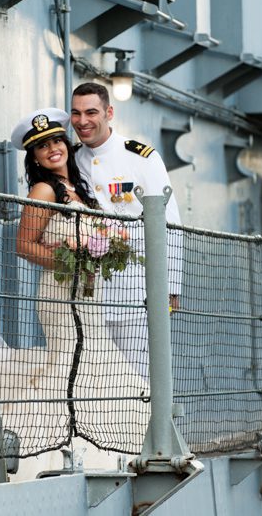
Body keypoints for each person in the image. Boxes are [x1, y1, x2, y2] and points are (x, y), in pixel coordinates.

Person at [0, 107, 149, 481]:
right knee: (77, 363)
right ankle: (63, 453)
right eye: (41, 147)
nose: (51, 149)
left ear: (65, 143)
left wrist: (105, 246)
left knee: (96, 363)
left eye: (55, 141)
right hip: (60, 296)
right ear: (33, 157)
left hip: (87, 297)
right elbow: (23, 245)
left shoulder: (78, 188)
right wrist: (70, 259)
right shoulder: (43, 189)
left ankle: (107, 448)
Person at [71, 82, 183, 380]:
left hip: (135, 292)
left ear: (109, 112)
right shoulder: (71, 160)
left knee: (139, 378)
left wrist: (170, 287)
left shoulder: (139, 157)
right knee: (93, 380)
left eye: (91, 112)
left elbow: (169, 223)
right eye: (76, 113)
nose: (83, 121)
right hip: (87, 295)